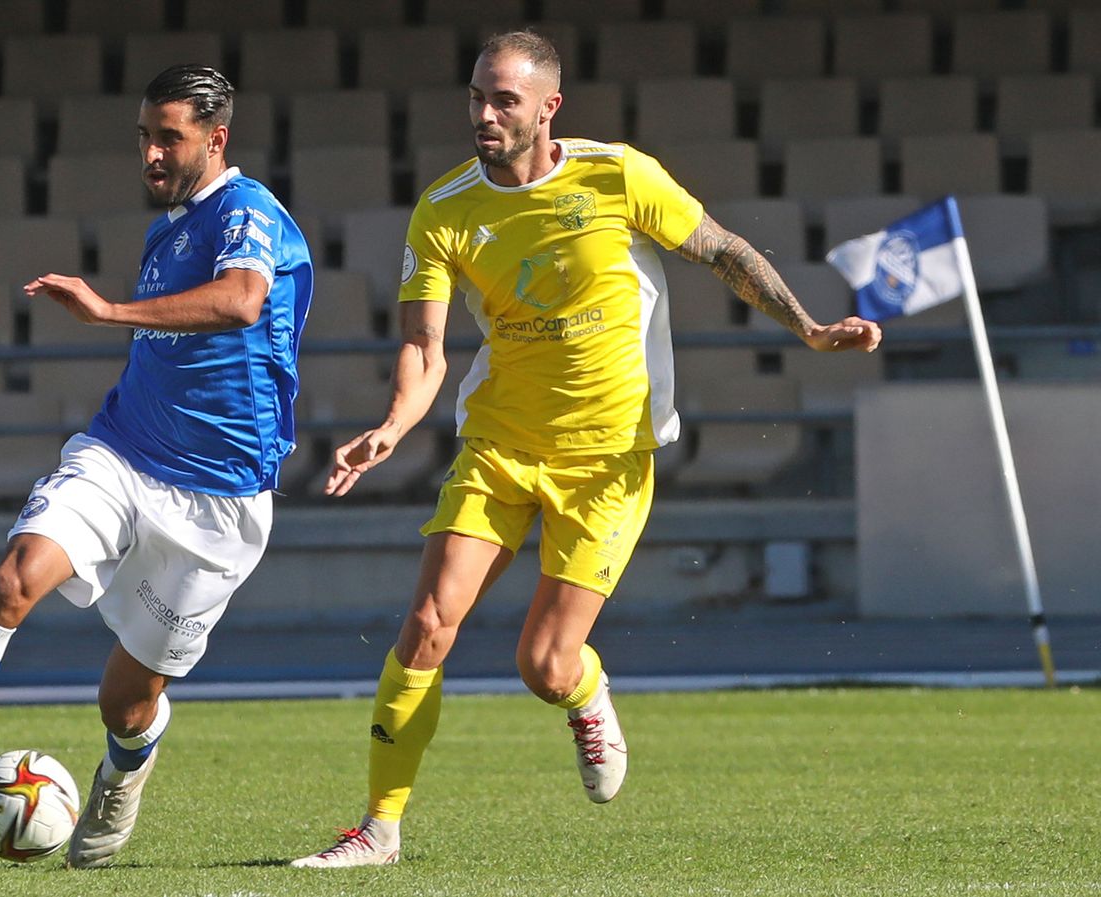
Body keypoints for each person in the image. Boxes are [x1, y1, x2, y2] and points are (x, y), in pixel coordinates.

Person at [290, 31, 882, 869]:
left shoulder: (620, 174)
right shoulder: (445, 210)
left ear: (547, 107)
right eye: (476, 97)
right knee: (426, 626)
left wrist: (812, 328)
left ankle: (585, 688)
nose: (485, 114)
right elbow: (426, 348)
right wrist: (392, 425)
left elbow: (725, 252)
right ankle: (378, 829)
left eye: (504, 100)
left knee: (543, 662)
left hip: (608, 459)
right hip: (501, 444)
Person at [0, 64, 313, 869]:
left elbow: (239, 300)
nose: (153, 154)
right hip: (123, 449)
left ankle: (125, 770)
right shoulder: (166, 230)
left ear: (215, 138)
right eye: (144, 137)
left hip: (220, 500)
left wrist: (109, 310)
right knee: (11, 581)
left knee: (126, 704)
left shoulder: (248, 210)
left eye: (171, 136)